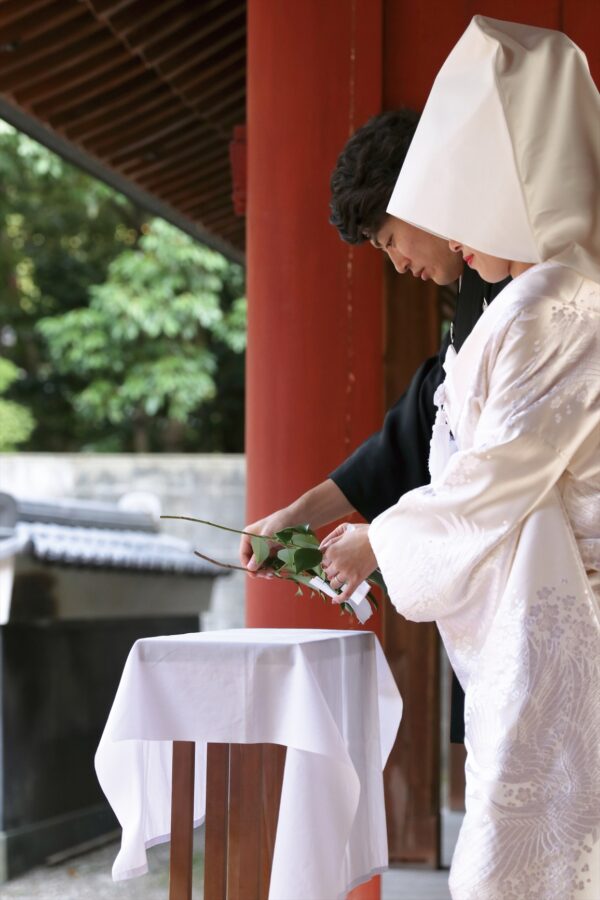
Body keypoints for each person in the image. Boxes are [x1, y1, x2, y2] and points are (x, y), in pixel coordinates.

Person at [320, 16, 600, 898]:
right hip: (533, 611)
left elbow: (495, 475)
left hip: (567, 613)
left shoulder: (557, 298)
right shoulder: (536, 292)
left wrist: (378, 542)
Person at [239, 109, 510, 743]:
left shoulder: (528, 288)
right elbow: (418, 427)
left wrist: (381, 542)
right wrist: (298, 515)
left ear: (422, 196)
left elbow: (503, 465)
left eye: (389, 241)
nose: (397, 264)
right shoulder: (476, 289)